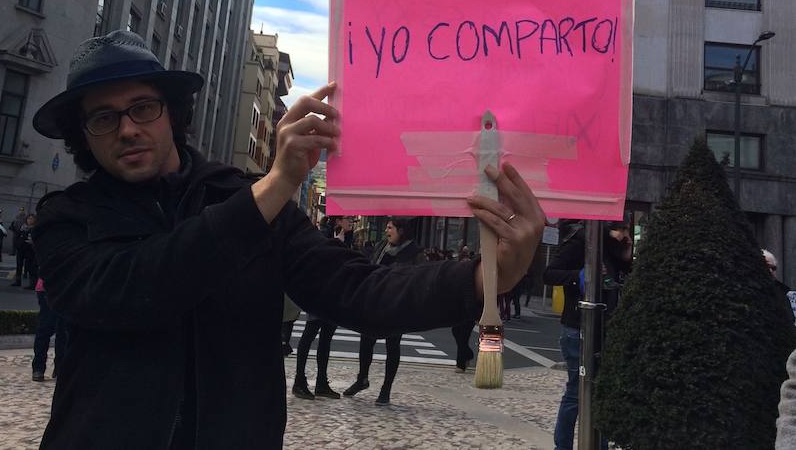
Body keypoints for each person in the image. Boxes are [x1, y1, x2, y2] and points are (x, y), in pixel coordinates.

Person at [29, 30, 544, 449]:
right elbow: (138, 286)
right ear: (83, 135)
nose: (126, 129)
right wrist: (276, 185)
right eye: (103, 117)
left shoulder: (241, 199)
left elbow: (357, 292)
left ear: (172, 113)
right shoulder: (66, 218)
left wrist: (481, 279)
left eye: (143, 107)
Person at [543, 218, 632, 450]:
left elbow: (620, 277)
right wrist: (579, 276)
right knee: (576, 391)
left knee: (599, 391)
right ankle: (563, 446)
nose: (623, 236)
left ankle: (598, 444)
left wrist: (627, 256)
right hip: (578, 325)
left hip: (605, 325)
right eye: (619, 231)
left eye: (626, 231)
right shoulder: (581, 242)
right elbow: (549, 274)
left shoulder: (612, 249)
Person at [342, 218, 426, 406]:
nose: (387, 230)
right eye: (387, 227)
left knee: (393, 345)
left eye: (390, 228)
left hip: (397, 303)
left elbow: (421, 278)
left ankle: (386, 389)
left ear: (401, 230)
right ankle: (362, 378)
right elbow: (371, 266)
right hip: (375, 300)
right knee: (366, 340)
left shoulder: (415, 252)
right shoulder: (382, 246)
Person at [293, 218, 355, 400]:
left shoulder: (347, 237)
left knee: (326, 338)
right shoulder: (323, 234)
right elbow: (319, 260)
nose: (351, 221)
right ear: (338, 220)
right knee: (309, 334)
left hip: (334, 292)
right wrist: (337, 244)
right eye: (348, 219)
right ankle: (299, 381)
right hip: (319, 291)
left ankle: (321, 383)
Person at [32, 277, 68, 382]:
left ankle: (60, 368)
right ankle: (38, 368)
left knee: (63, 331)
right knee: (45, 328)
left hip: (66, 288)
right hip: (48, 287)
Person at [763, 250, 795, 324]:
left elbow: (790, 319)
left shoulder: (783, 291)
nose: (770, 271)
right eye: (767, 266)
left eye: (773, 268)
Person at [13, 213, 38, 289]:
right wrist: (17, 244)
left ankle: (32, 284)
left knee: (31, 267)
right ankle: (17, 281)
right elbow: (17, 236)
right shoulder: (23, 227)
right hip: (21, 248)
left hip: (30, 249)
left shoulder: (35, 228)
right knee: (19, 265)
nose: (30, 220)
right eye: (29, 218)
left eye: (32, 219)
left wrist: (33, 242)